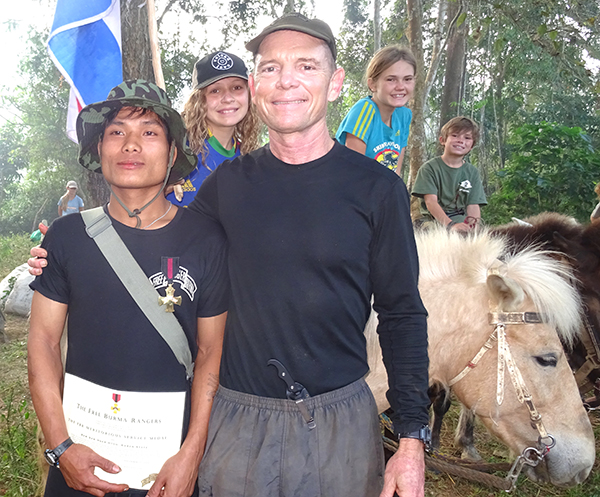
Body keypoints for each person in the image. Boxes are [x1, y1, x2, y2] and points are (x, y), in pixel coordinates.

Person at [29, 14, 430, 497]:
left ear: (336, 81)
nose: (287, 82)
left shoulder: (377, 190)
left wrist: (410, 439)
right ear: (257, 85)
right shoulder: (227, 185)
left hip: (336, 422)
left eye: (305, 66)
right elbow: (161, 239)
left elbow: (403, 314)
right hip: (236, 421)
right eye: (271, 68)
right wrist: (64, 252)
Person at [28, 80, 229, 497]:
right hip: (77, 460)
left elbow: (211, 352)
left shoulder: (207, 240)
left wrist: (193, 450)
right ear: (100, 149)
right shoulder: (67, 237)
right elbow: (43, 342)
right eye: (117, 132)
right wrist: (60, 446)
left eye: (150, 132)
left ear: (173, 153)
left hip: (167, 468)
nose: (131, 145)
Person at [166, 51, 260, 207]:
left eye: (237, 87)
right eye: (215, 90)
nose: (228, 98)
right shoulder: (176, 149)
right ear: (199, 100)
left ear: (249, 94)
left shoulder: (250, 159)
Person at [335, 45, 416, 175]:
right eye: (391, 79)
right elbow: (353, 172)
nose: (401, 86)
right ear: (373, 84)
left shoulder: (404, 115)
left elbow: (396, 173)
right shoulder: (364, 111)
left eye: (407, 79)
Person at [412, 116, 487, 231]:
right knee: (433, 232)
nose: (461, 141)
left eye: (467, 138)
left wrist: (474, 229)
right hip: (431, 220)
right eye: (455, 135)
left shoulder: (472, 172)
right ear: (442, 140)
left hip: (460, 219)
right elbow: (431, 202)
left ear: (472, 146)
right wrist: (450, 225)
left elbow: (473, 206)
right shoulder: (429, 168)